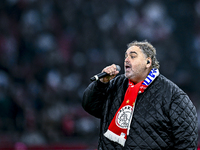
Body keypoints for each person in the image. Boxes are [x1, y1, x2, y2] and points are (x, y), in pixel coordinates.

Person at [82, 40, 198, 150]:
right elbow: (90, 106)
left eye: (132, 56)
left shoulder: (172, 94)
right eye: (126, 56)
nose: (126, 60)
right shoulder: (115, 84)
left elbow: (186, 139)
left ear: (148, 62)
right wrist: (101, 84)